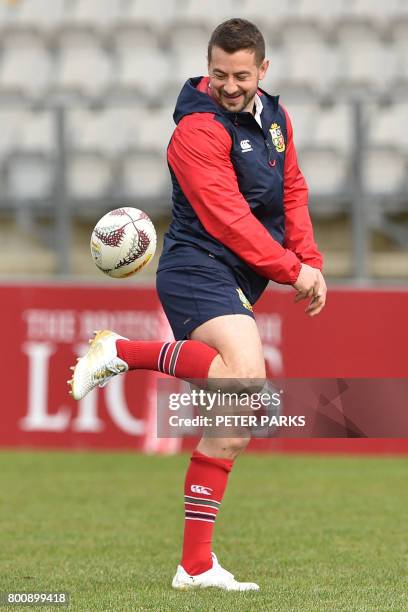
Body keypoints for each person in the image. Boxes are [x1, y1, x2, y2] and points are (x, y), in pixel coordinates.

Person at [68, 18, 326, 591]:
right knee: (248, 386)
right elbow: (228, 220)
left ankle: (196, 566)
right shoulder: (196, 130)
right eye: (218, 74)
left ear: (263, 70)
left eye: (240, 75)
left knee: (234, 427)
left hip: (236, 276)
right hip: (195, 270)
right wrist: (292, 271)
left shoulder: (275, 118)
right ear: (206, 68)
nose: (229, 86)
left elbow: (292, 188)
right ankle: (121, 350)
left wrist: (310, 261)